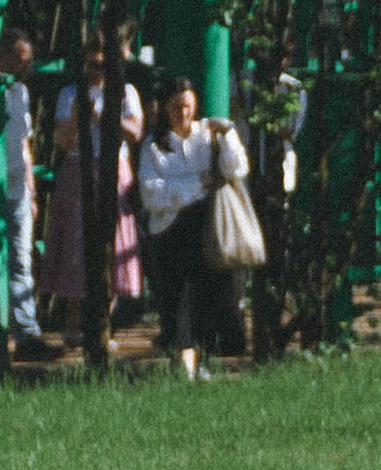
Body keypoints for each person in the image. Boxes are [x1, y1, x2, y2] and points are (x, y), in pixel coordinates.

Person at [136, 75, 249, 377]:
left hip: (207, 232)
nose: (183, 114)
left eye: (187, 106)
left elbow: (236, 169)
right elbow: (150, 194)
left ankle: (208, 363)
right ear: (165, 108)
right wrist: (197, 183)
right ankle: (183, 366)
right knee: (176, 305)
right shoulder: (154, 146)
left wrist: (228, 133)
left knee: (213, 299)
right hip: (170, 237)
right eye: (175, 107)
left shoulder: (208, 136)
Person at [40, 33, 144, 333]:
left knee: (113, 244)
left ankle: (102, 324)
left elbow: (135, 132)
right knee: (75, 241)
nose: (95, 71)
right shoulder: (69, 94)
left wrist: (103, 114)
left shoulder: (125, 93)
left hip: (113, 169)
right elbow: (62, 141)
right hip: (77, 168)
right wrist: (78, 115)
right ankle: (72, 322)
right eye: (91, 64)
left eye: (102, 64)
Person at [1, 28, 39, 356]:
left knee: (22, 260)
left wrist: (32, 189)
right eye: (21, 60)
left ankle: (26, 333)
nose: (26, 67)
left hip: (18, 188)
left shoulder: (21, 92)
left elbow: (25, 143)